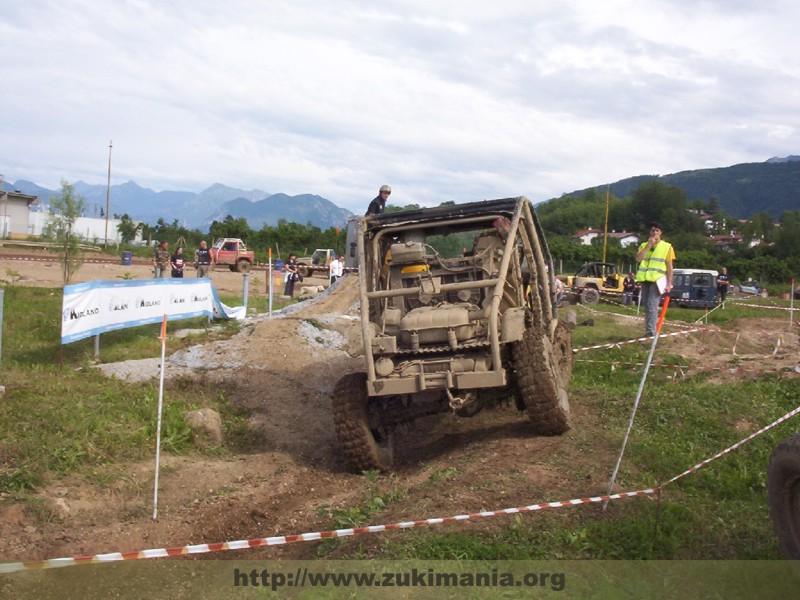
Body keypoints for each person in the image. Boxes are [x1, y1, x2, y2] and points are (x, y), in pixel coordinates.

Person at [635, 221, 675, 337]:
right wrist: (648, 246)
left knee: (652, 305)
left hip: (657, 280)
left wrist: (669, 283)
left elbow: (669, 266)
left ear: (661, 232)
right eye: (653, 230)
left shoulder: (667, 247)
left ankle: (651, 333)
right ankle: (649, 330)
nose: (655, 233)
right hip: (645, 279)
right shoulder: (643, 245)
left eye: (657, 231)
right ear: (650, 232)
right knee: (647, 306)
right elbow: (638, 259)